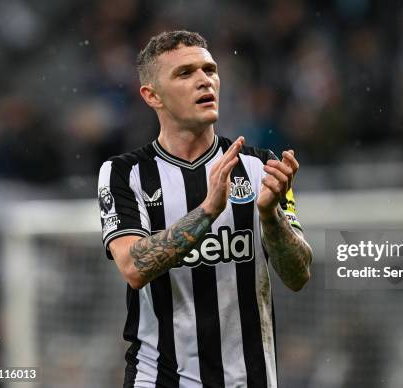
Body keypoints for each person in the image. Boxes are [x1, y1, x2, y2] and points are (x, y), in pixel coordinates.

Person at [97, 30, 313, 388]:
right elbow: (134, 268)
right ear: (152, 96)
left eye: (209, 70)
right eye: (185, 73)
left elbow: (298, 275)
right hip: (160, 379)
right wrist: (208, 211)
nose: (204, 81)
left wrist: (270, 217)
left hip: (250, 378)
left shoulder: (262, 167)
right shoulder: (125, 173)